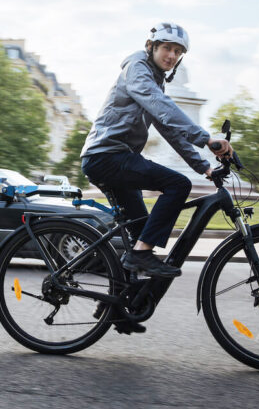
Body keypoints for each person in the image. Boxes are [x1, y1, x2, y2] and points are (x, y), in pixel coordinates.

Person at [80, 22, 232, 278]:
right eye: (166, 48)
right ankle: (140, 254)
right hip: (106, 156)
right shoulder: (137, 68)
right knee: (178, 185)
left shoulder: (156, 81)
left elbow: (169, 129)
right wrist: (206, 139)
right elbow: (157, 103)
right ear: (151, 46)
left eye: (177, 52)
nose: (171, 56)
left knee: (141, 234)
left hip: (118, 159)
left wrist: (203, 166)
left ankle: (121, 308)